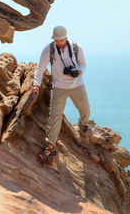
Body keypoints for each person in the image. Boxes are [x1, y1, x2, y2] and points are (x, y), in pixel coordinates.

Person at [30, 25, 91, 161]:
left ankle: (83, 124)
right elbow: (40, 68)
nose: (59, 42)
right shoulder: (49, 49)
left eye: (61, 40)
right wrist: (36, 85)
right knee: (54, 116)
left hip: (77, 85)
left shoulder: (76, 47)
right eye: (57, 40)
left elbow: (83, 64)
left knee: (85, 110)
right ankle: (50, 146)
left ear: (66, 38)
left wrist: (78, 72)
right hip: (59, 88)